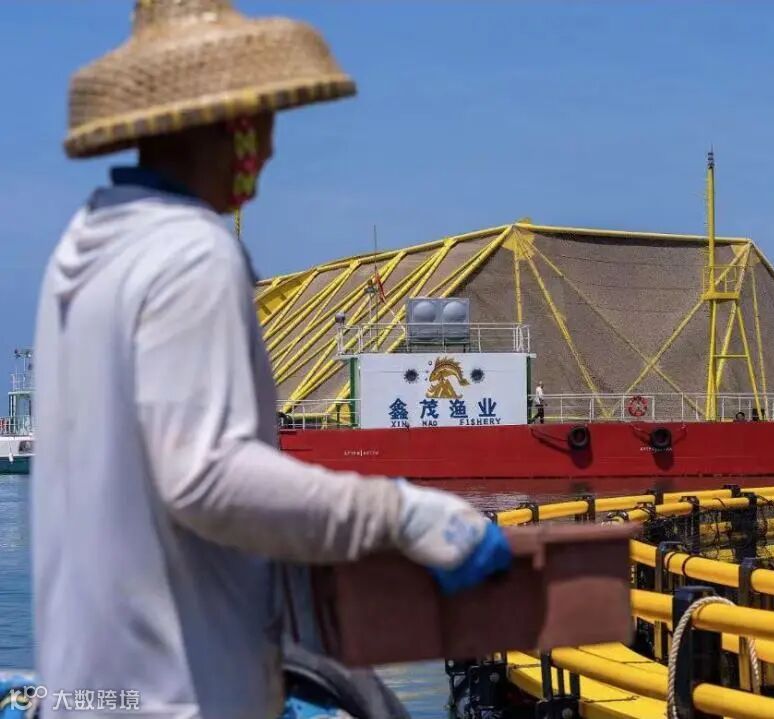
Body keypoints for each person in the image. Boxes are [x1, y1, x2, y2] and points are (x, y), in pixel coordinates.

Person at [33, 2, 510, 717]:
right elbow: (208, 477)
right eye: (266, 119)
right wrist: (404, 514)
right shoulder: (191, 253)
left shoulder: (82, 248)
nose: (272, 146)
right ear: (234, 123)